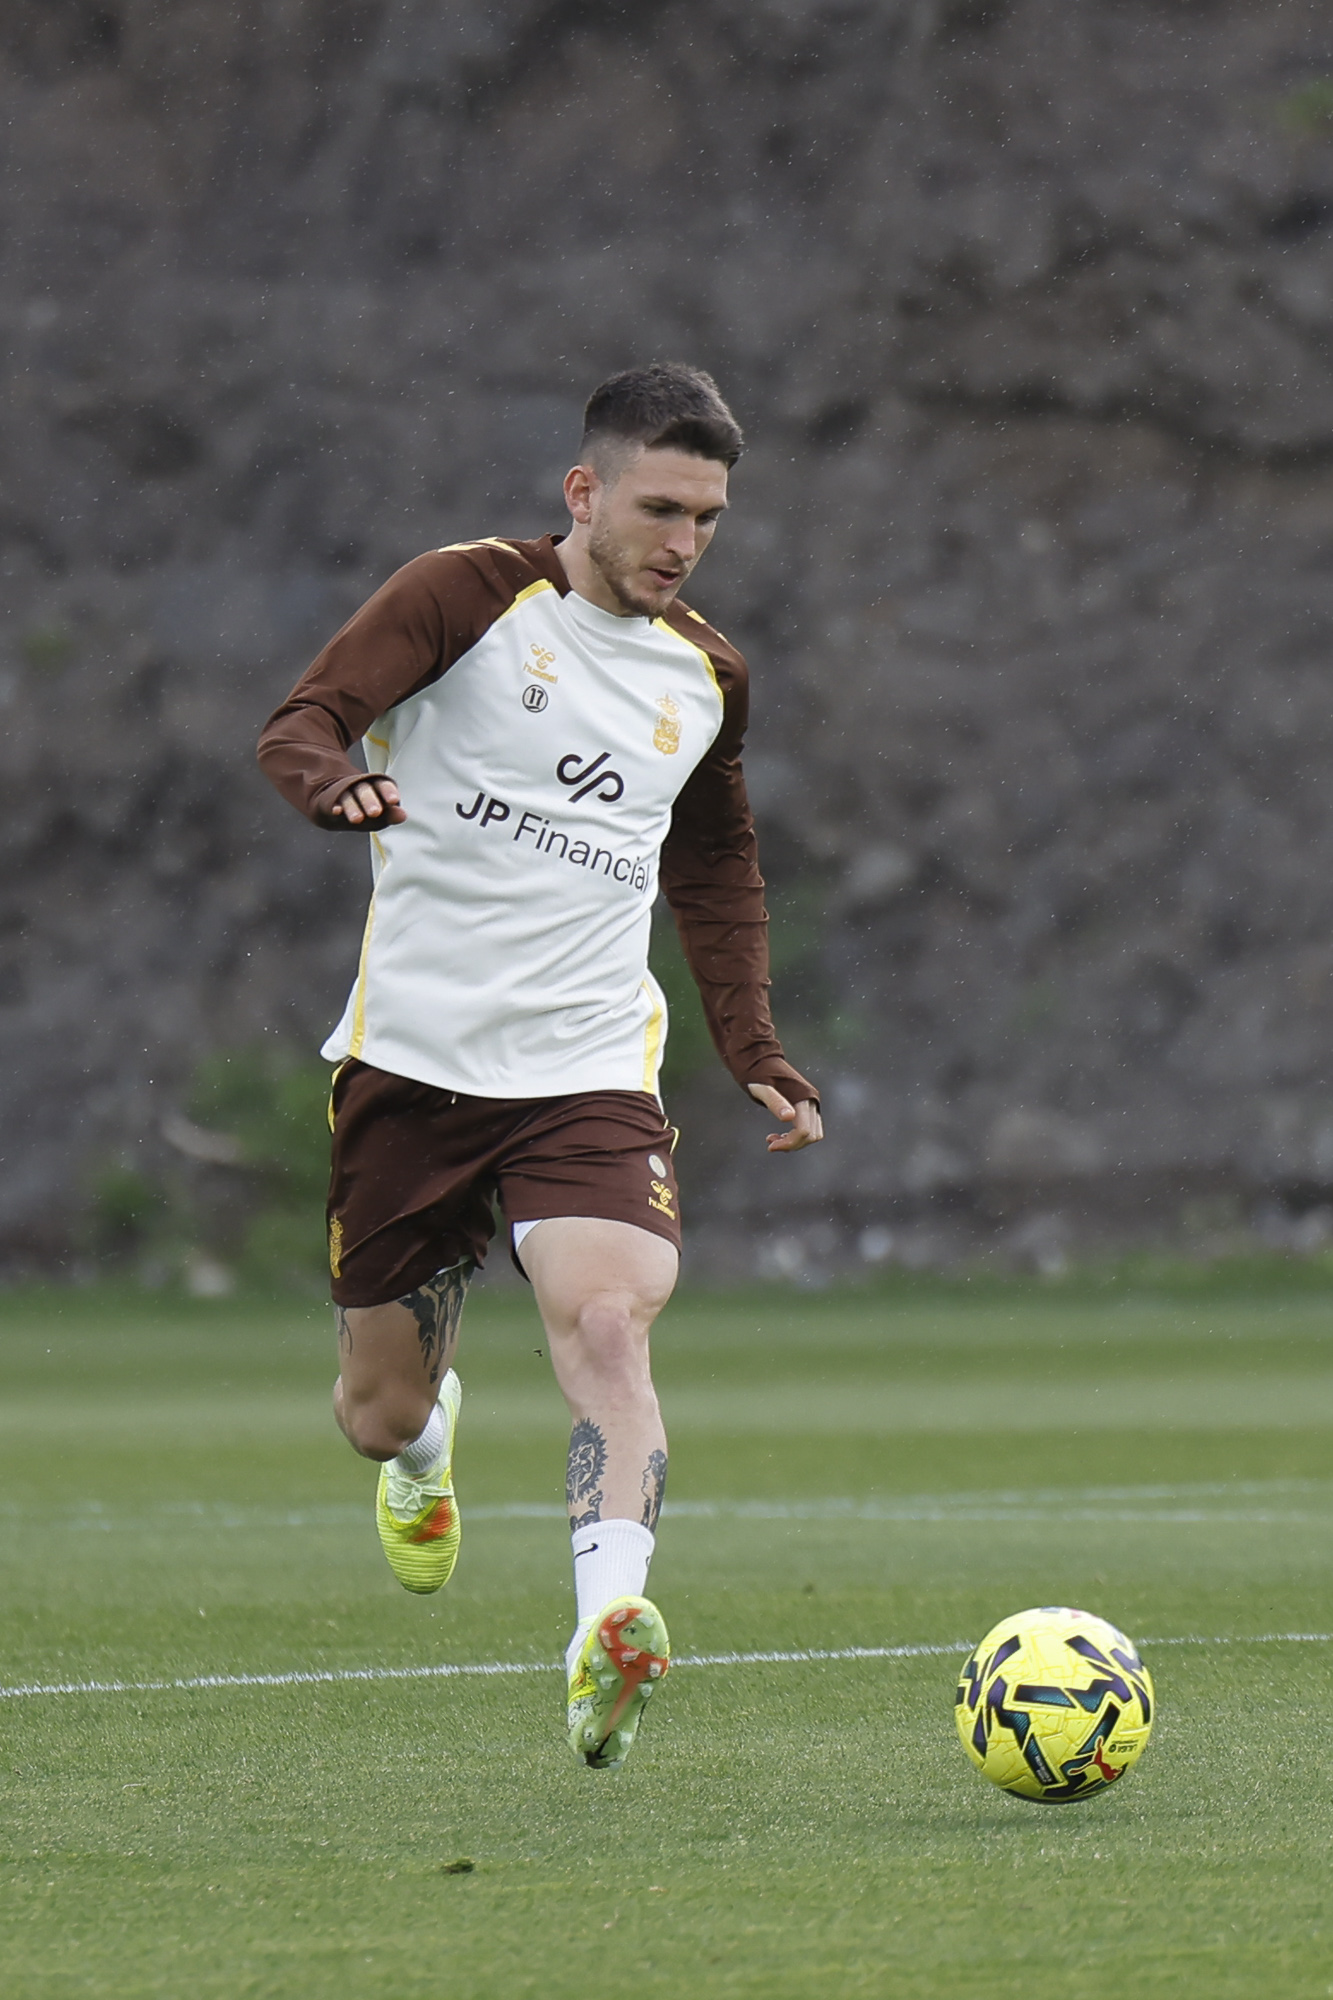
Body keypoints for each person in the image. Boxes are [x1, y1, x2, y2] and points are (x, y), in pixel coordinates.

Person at [257, 362, 822, 1771]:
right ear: (584, 492)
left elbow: (716, 866)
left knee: (610, 1327)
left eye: (707, 517)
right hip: (413, 1065)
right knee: (377, 1414)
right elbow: (301, 723)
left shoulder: (707, 676)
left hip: (587, 1071)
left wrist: (749, 1043)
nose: (684, 542)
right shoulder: (462, 596)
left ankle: (606, 1627)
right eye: (659, 508)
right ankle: (428, 1443)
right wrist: (337, 783)